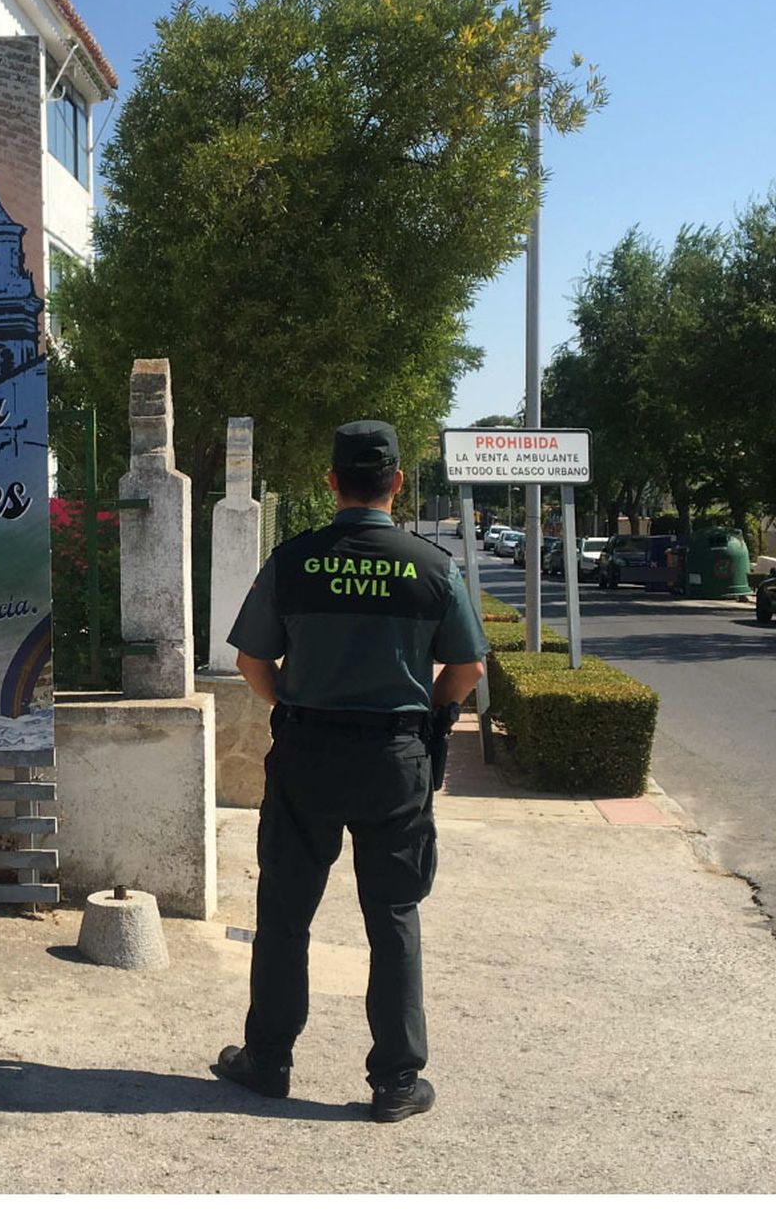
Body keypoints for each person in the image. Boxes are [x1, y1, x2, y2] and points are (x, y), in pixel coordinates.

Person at [212, 419, 488, 1124]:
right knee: (392, 913)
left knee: (284, 913)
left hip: (307, 753)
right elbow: (466, 669)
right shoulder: (431, 567)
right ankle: (396, 1079)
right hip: (395, 759)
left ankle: (267, 1059)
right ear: (395, 483)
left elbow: (250, 659)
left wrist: (292, 706)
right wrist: (428, 716)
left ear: (331, 481)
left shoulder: (295, 559)